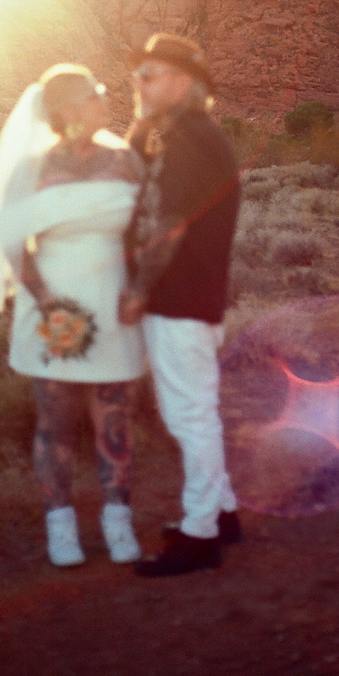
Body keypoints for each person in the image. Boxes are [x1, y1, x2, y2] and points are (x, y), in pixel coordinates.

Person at [0, 64, 146, 568]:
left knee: (114, 415)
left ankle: (118, 518)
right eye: (95, 96)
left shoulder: (125, 161)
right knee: (56, 419)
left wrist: (138, 289)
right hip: (52, 304)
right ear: (67, 109)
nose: (102, 103)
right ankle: (60, 525)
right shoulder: (34, 168)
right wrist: (47, 304)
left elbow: (146, 230)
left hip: (114, 304)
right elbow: (11, 241)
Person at [121, 34, 244, 578]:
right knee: (195, 412)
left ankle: (200, 536)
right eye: (138, 75)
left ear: (179, 82)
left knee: (189, 415)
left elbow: (168, 227)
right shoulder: (191, 137)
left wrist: (139, 290)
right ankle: (223, 512)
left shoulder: (190, 140)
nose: (138, 84)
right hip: (192, 299)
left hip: (179, 300)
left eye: (148, 74)